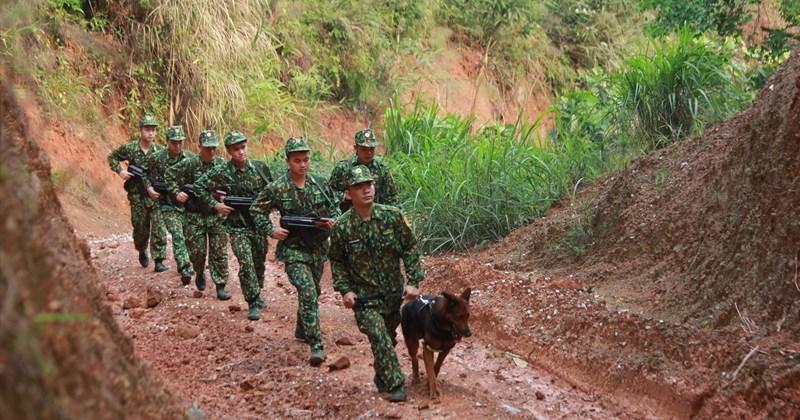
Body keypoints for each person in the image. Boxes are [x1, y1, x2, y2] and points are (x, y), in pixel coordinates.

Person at [328, 165, 423, 402]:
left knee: (388, 339)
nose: (366, 190)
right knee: (379, 337)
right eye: (359, 187)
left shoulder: (393, 216)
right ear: (349, 193)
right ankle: (396, 385)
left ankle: (382, 377)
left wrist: (413, 281)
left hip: (393, 296)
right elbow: (337, 261)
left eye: (368, 185)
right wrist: (345, 289)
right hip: (365, 300)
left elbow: (410, 247)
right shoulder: (342, 227)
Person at [251, 136, 340, 366]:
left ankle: (303, 328)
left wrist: (331, 222)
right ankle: (316, 344)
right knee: (308, 290)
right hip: (293, 251)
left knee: (314, 291)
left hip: (318, 248)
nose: (302, 164)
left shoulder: (321, 184)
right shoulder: (277, 188)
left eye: (306, 160)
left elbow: (337, 210)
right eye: (297, 160)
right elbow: (256, 210)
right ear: (288, 161)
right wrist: (271, 229)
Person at [194, 131, 272, 320]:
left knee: (258, 262)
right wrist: (216, 205)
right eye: (236, 149)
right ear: (229, 151)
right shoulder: (223, 170)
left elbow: (273, 191)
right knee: (245, 262)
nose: (241, 152)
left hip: (259, 226)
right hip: (238, 227)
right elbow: (199, 187)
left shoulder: (261, 168)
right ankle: (252, 301)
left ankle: (258, 292)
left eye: (243, 148)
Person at [164, 129, 231, 299]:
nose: (211, 151)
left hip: (216, 216)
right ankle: (199, 271)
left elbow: (232, 184)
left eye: (213, 147)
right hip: (194, 216)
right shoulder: (190, 163)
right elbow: (169, 175)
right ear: (199, 146)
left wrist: (226, 197)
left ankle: (220, 284)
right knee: (197, 252)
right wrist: (176, 193)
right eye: (207, 147)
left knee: (219, 252)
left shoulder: (222, 165)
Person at [107, 115, 167, 270]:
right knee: (140, 226)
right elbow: (112, 157)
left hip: (154, 194)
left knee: (159, 226)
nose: (151, 133)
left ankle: (159, 260)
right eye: (147, 130)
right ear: (140, 130)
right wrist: (120, 171)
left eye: (153, 130)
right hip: (137, 194)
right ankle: (141, 249)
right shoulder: (130, 148)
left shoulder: (160, 151)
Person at [143, 124, 195, 283]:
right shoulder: (156, 157)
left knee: (188, 236)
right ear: (167, 142)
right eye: (174, 142)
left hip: (185, 205)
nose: (177, 145)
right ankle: (183, 266)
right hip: (164, 203)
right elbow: (144, 173)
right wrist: (149, 188)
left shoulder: (190, 159)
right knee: (173, 234)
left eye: (180, 142)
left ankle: (187, 262)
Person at [328, 128, 399, 211]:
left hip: (375, 217)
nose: (368, 153)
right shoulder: (343, 168)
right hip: (348, 217)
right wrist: (343, 196)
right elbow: (329, 194)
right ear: (356, 148)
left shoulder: (382, 169)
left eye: (371, 149)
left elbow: (393, 198)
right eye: (364, 149)